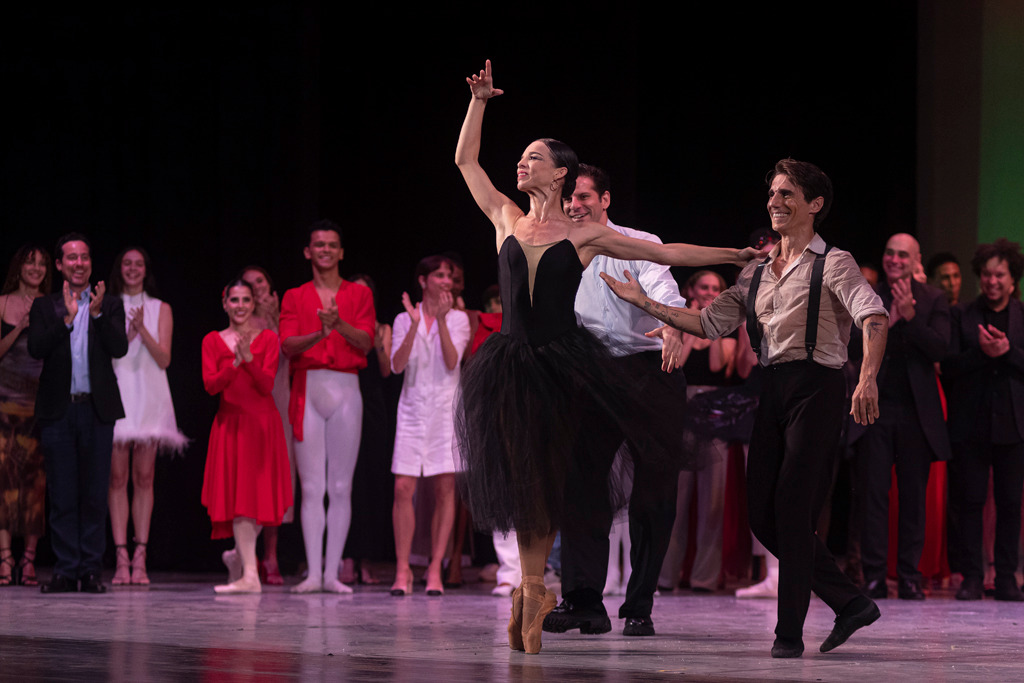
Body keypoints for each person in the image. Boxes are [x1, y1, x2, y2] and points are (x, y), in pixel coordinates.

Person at [454, 60, 758, 654]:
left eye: (534, 157)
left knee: (549, 481)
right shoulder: (506, 218)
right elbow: (467, 162)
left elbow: (665, 252)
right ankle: (531, 590)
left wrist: (734, 254)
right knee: (524, 481)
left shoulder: (584, 236)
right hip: (511, 367)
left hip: (562, 369)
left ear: (560, 173)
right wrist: (479, 103)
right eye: (521, 157)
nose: (522, 164)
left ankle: (537, 591)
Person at [602, 158, 888, 658]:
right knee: (763, 517)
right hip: (771, 388)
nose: (774, 201)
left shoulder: (833, 262)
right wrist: (643, 302)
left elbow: (874, 317)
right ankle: (850, 601)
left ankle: (788, 635)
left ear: (815, 205)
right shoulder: (757, 271)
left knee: (793, 509)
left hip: (817, 387)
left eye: (787, 193)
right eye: (772, 193)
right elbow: (707, 323)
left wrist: (866, 378)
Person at [543, 163, 689, 639]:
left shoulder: (638, 242)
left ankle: (639, 604)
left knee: (654, 493)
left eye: (584, 196)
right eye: (569, 198)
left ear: (605, 200)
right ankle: (584, 601)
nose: (574, 205)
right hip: (589, 373)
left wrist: (671, 325)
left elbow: (667, 292)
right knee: (580, 486)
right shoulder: (559, 251)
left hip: (649, 370)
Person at [29, 233, 128, 594]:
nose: (79, 263)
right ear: (59, 265)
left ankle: (90, 570)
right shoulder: (45, 306)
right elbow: (36, 348)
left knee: (94, 493)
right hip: (59, 410)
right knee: (62, 494)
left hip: (96, 410)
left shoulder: (109, 304)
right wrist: (66, 321)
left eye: (84, 257)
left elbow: (119, 347)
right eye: (71, 258)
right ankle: (66, 569)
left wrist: (96, 315)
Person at [279, 221, 375, 594]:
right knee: (312, 486)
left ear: (341, 252)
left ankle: (332, 573)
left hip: (346, 388)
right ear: (308, 251)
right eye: (319, 244)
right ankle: (313, 574)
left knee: (340, 485)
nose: (325, 250)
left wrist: (338, 326)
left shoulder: (358, 294)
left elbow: (366, 341)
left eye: (332, 245)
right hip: (309, 386)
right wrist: (319, 334)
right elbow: (287, 345)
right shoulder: (295, 296)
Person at [853, 234, 950, 601]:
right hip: (874, 408)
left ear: (916, 260)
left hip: (915, 413)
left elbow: (942, 348)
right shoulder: (868, 294)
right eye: (890, 253)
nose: (894, 259)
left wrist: (910, 317)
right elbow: (850, 345)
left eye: (902, 255)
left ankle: (909, 576)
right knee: (873, 496)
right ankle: (874, 576)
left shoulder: (933, 298)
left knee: (913, 497)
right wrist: (890, 321)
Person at [942, 239, 1024, 602]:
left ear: (1012, 279)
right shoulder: (962, 314)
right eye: (987, 275)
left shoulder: (1022, 315)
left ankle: (1006, 578)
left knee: (1010, 504)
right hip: (970, 424)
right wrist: (982, 353)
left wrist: (1007, 352)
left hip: (1014, 425)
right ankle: (972, 577)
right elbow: (948, 366)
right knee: (970, 503)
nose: (992, 281)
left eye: (999, 275)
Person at [200, 279, 292, 594]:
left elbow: (266, 385)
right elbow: (211, 385)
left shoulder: (267, 338)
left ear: (253, 304)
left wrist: (249, 361)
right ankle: (250, 574)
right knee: (240, 501)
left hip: (262, 425)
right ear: (224, 303)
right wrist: (235, 363)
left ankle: (240, 559)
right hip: (231, 425)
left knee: (261, 499)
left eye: (246, 300)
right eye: (234, 300)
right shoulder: (213, 340)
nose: (240, 306)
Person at [389, 256, 471, 596]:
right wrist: (413, 325)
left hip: (443, 411)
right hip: (412, 410)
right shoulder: (402, 318)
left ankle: (436, 566)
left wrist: (439, 321)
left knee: (444, 488)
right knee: (402, 488)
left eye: (449, 275)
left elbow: (452, 362)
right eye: (439, 275)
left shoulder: (459, 319)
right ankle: (403, 569)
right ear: (423, 280)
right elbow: (396, 366)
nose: (446, 281)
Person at [108, 247, 188, 586]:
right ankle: (121, 558)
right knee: (116, 478)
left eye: (138, 264)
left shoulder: (161, 308)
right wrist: (127, 334)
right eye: (127, 263)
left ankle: (140, 557)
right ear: (120, 268)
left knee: (144, 477)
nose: (132, 269)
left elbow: (164, 358)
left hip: (150, 394)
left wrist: (142, 329)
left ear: (146, 269)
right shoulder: (109, 305)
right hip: (119, 393)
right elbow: (107, 355)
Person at [657, 270, 735, 596]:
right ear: (691, 290)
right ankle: (666, 576)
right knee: (676, 497)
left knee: (712, 500)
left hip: (715, 411)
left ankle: (704, 578)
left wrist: (710, 325)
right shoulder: (678, 323)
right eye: (704, 287)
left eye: (716, 288)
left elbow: (718, 366)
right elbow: (677, 362)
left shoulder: (727, 326)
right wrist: (690, 323)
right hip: (682, 409)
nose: (709, 292)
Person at [0, 245, 52, 586]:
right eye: (30, 262)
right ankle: (5, 558)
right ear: (18, 267)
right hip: (4, 404)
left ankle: (29, 559)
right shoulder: (2, 303)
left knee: (35, 482)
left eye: (42, 264)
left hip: (39, 405)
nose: (35, 268)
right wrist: (19, 327)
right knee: (3, 481)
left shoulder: (52, 305)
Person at [240, 265, 293, 586]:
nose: (256, 287)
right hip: (248, 403)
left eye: (260, 281)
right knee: (248, 479)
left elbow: (291, 353)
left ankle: (271, 555)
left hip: (280, 401)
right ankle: (246, 553)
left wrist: (275, 320)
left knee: (275, 478)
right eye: (249, 284)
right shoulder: (241, 319)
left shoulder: (283, 318)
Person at [340, 274, 394, 587]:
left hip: (373, 405)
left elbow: (386, 371)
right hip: (345, 400)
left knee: (372, 481)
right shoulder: (341, 325)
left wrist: (377, 342)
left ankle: (367, 559)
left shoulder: (382, 327)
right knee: (348, 481)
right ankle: (346, 556)